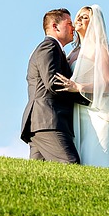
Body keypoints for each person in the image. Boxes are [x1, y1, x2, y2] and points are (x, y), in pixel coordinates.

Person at [54, 5, 109, 169]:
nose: (79, 19)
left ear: (94, 23)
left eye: (85, 17)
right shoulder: (72, 53)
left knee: (100, 153)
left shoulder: (100, 48)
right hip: (79, 112)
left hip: (98, 111)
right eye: (78, 16)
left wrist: (78, 86)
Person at [20, 9, 89, 163]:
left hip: (42, 121)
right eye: (69, 23)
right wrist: (86, 98)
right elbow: (53, 83)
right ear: (55, 26)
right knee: (70, 163)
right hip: (49, 120)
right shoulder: (49, 47)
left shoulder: (54, 49)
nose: (73, 28)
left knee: (39, 175)